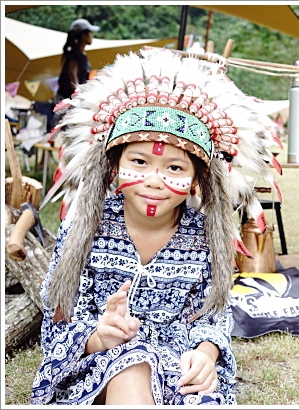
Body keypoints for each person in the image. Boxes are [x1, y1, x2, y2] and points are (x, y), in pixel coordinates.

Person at [30, 48, 283, 405]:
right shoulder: (84, 231)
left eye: (175, 168)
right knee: (133, 365)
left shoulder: (205, 238)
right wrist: (101, 337)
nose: (154, 180)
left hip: (179, 368)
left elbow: (212, 315)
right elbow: (59, 321)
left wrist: (206, 355)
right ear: (114, 165)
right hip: (96, 363)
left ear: (197, 179)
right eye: (139, 161)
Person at [56, 18, 100, 103]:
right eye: (90, 33)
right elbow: (72, 73)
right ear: (84, 35)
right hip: (68, 99)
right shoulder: (75, 54)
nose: (92, 36)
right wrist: (79, 93)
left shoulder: (81, 54)